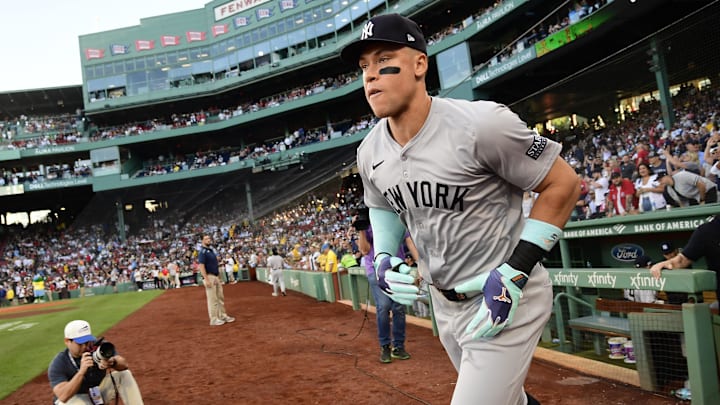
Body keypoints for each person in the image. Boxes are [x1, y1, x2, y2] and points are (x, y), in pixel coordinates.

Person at [341, 13, 579, 405]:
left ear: (420, 63)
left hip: (504, 292)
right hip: (444, 304)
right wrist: (383, 254)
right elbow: (381, 205)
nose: (370, 75)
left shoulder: (481, 124)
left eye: (384, 61)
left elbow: (563, 183)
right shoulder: (370, 151)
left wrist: (516, 270)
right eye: (364, 67)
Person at [357, 222, 417, 363]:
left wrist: (421, 264)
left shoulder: (395, 219)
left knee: (399, 308)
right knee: (383, 307)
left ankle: (399, 346)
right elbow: (364, 250)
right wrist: (361, 229)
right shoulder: (367, 224)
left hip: (397, 268)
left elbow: (409, 242)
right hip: (376, 271)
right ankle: (385, 346)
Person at [48, 320, 144, 404]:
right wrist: (81, 372)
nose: (85, 346)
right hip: (75, 399)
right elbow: (63, 396)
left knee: (124, 374)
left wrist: (112, 362)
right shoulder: (59, 362)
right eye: (80, 343)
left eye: (87, 341)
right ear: (67, 341)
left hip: (97, 394)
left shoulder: (98, 347)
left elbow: (124, 365)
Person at [650, 215, 720, 309]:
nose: (669, 255)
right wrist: (664, 263)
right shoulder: (707, 231)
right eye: (666, 254)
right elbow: (682, 260)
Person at [197, 234, 236, 326]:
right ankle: (214, 319)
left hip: (215, 276)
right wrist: (206, 279)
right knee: (212, 299)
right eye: (206, 239)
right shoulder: (202, 252)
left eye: (209, 238)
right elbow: (201, 266)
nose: (208, 240)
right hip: (209, 276)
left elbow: (212, 264)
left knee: (220, 297)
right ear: (202, 241)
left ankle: (222, 315)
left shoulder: (210, 250)